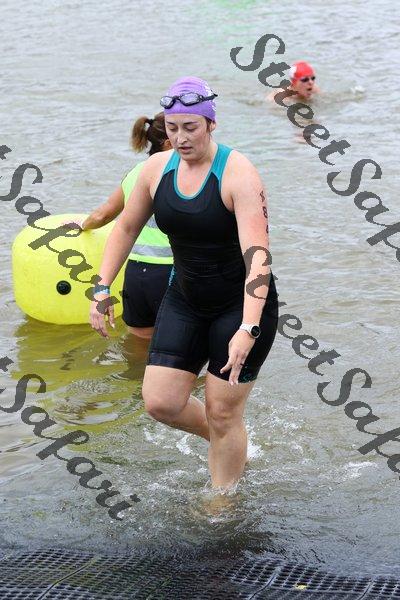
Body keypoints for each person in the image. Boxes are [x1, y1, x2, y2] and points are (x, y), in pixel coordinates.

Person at [90, 76, 279, 491]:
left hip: (240, 304)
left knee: (224, 412)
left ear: (211, 124)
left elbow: (258, 257)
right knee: (161, 402)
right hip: (185, 298)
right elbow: (125, 228)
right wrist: (101, 287)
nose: (180, 138)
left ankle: (222, 501)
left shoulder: (239, 173)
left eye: (190, 127)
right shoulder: (155, 169)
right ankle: (230, 442)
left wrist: (248, 327)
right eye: (173, 128)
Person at [67, 113, 173, 339]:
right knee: (180, 346)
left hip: (136, 274)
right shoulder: (184, 173)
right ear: (168, 143)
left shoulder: (136, 172)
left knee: (138, 345)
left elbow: (103, 214)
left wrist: (82, 225)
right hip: (172, 272)